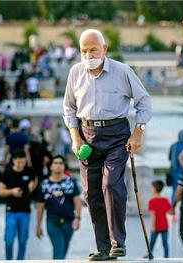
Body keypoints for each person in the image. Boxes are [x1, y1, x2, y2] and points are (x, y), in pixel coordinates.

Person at [63, 29, 152, 261]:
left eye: (93, 49)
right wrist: (75, 136)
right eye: (84, 50)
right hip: (87, 135)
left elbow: (143, 101)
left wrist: (137, 133)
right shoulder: (75, 72)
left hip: (116, 135)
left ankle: (117, 243)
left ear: (105, 48)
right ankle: (102, 248)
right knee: (91, 193)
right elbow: (69, 108)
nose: (88, 54)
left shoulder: (122, 71)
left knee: (111, 184)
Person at [36, 155, 82, 259]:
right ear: (50, 167)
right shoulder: (44, 184)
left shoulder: (71, 182)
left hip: (69, 222)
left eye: (61, 163)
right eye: (55, 163)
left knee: (63, 251)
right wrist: (38, 226)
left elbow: (77, 201)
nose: (58, 165)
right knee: (59, 250)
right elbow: (40, 206)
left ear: (64, 166)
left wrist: (77, 218)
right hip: (52, 222)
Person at [0, 150, 36, 260]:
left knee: (23, 240)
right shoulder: (7, 172)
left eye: (23, 162)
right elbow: (0, 191)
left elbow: (33, 184)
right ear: (14, 161)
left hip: (25, 211)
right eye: (18, 162)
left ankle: (20, 261)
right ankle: (9, 260)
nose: (21, 165)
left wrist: (30, 188)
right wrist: (12, 192)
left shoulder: (29, 171)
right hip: (11, 211)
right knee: (9, 240)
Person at [147, 180, 171, 258]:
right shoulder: (165, 200)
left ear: (154, 188)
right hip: (164, 224)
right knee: (165, 243)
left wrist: (153, 226)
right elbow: (170, 211)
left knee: (152, 242)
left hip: (156, 225)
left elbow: (153, 215)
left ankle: (149, 255)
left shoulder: (151, 201)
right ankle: (166, 256)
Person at [168, 130, 183, 204]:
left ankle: (172, 207)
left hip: (173, 171)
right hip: (182, 172)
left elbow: (169, 158)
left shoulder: (173, 145)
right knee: (182, 190)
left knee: (174, 191)